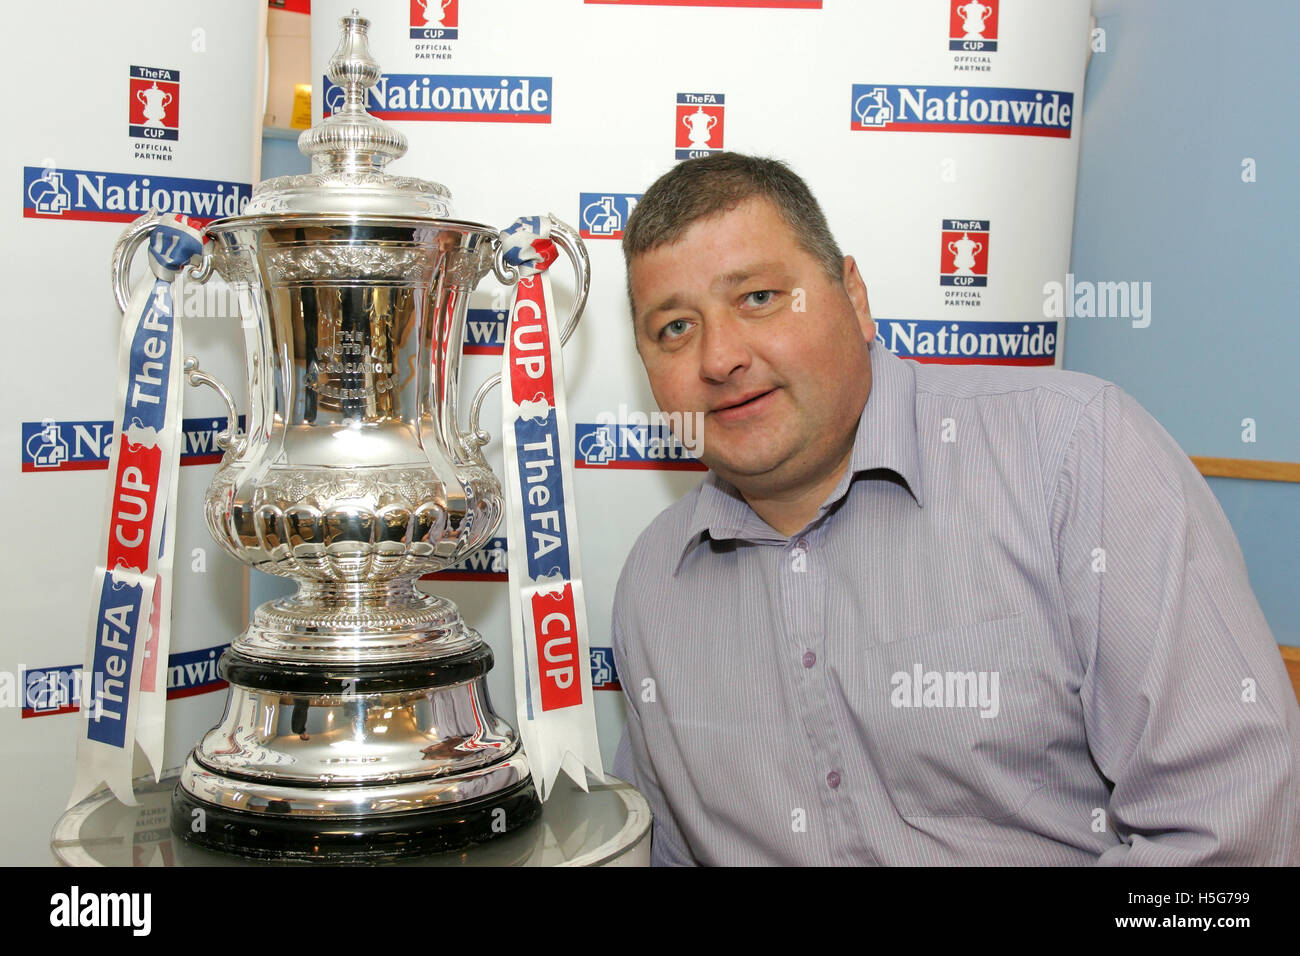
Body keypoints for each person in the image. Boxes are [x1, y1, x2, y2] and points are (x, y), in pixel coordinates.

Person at [610, 151, 1300, 866]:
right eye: (675, 329)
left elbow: (1234, 830)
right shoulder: (653, 587)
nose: (719, 358)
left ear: (853, 296)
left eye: (757, 298)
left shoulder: (1070, 456)